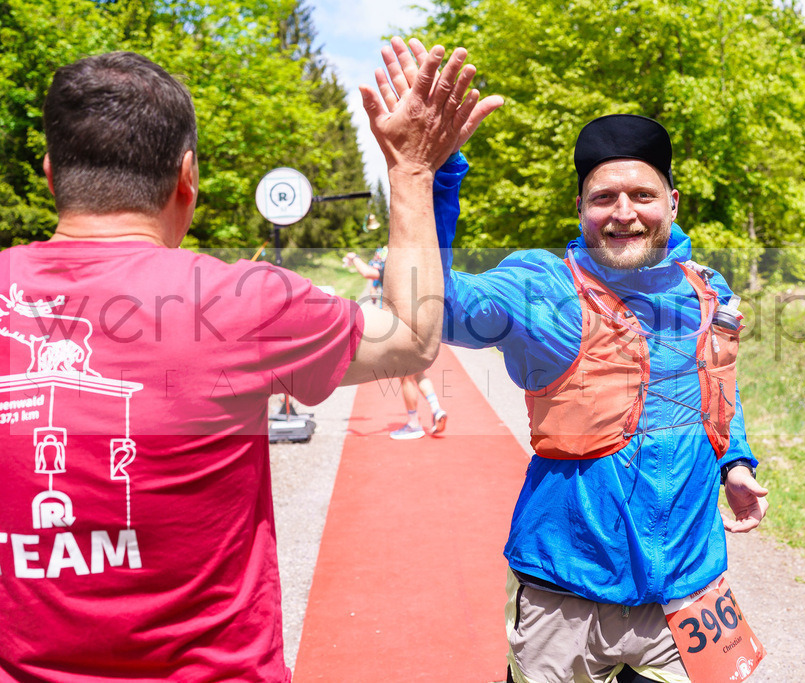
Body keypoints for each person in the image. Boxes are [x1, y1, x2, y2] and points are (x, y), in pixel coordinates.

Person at [0, 46, 499, 681]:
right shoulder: (239, 301)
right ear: (188, 176)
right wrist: (412, 171)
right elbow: (412, 336)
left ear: (49, 172)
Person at [374, 39, 769, 683]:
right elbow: (431, 310)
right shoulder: (545, 291)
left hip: (691, 593)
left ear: (672, 202)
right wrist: (430, 177)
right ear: (580, 211)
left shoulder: (708, 288)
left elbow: (715, 384)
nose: (623, 213)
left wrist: (736, 463)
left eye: (641, 195)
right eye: (602, 197)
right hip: (567, 593)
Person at [345, 249, 449, 439]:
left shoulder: (394, 264)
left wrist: (354, 258)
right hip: (417, 319)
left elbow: (369, 273)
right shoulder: (414, 265)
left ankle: (414, 423)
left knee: (406, 375)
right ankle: (436, 409)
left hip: (402, 323)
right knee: (419, 373)